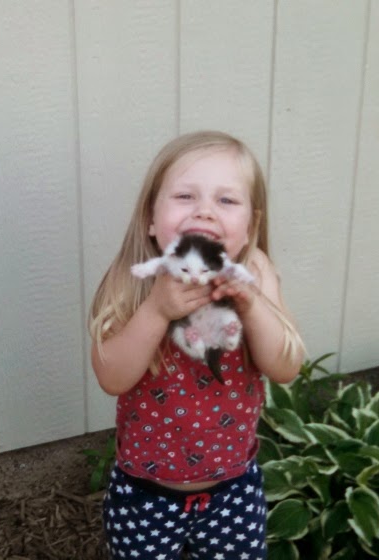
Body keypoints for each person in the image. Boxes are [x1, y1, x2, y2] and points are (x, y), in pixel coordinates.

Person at [88, 130, 305, 559]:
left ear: (250, 226)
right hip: (146, 493)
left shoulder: (256, 271)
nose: (205, 211)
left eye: (226, 200)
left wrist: (252, 305)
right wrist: (156, 310)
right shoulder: (136, 280)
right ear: (151, 218)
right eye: (185, 196)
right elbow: (111, 376)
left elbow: (286, 367)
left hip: (233, 489)